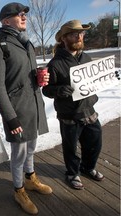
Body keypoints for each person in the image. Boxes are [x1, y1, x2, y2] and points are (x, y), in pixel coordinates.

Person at [0, 2, 52, 215]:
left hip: (33, 106)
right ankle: (18, 190)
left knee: (31, 147)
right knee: (19, 154)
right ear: (6, 21)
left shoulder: (27, 44)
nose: (24, 17)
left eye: (24, 14)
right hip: (17, 111)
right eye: (18, 15)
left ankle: (30, 178)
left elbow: (26, 76)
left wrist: (41, 78)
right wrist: (10, 118)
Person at [42, 20, 104, 190]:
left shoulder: (87, 57)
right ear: (63, 38)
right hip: (69, 115)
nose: (79, 36)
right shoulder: (55, 64)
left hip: (89, 110)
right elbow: (46, 90)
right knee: (71, 149)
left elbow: (96, 79)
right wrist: (59, 90)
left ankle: (88, 167)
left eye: (81, 33)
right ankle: (72, 173)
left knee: (95, 143)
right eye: (73, 34)